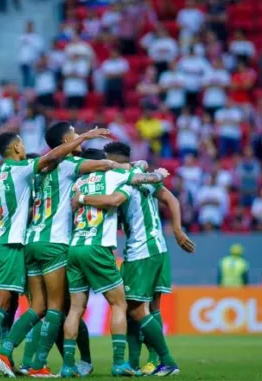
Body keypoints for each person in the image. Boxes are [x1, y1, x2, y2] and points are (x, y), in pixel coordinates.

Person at [0, 123, 145, 377]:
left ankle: (12, 354)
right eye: (76, 134)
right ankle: (39, 363)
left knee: (45, 308)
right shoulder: (69, 166)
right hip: (57, 244)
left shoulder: (36, 172)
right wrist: (130, 167)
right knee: (60, 308)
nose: (80, 137)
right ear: (68, 139)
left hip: (30, 243)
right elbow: (105, 166)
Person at [0, 127, 110, 376]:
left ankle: (15, 359)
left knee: (34, 306)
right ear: (16, 148)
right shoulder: (34, 169)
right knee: (49, 307)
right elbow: (51, 159)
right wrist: (90, 140)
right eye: (21, 143)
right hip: (22, 244)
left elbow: (14, 198)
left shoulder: (2, 172)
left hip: (16, 242)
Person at [52, 148, 168, 377]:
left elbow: (136, 165)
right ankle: (118, 362)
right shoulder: (113, 177)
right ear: (102, 163)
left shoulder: (77, 183)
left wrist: (135, 164)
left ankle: (67, 365)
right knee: (119, 305)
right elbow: (143, 177)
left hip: (75, 248)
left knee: (75, 309)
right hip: (97, 248)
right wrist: (161, 174)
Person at [89, 142, 195, 376]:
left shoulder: (119, 176)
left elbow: (112, 201)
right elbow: (172, 200)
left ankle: (166, 361)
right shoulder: (139, 174)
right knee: (150, 307)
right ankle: (146, 362)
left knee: (134, 309)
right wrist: (177, 231)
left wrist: (83, 199)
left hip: (141, 251)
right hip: (159, 248)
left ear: (111, 160)